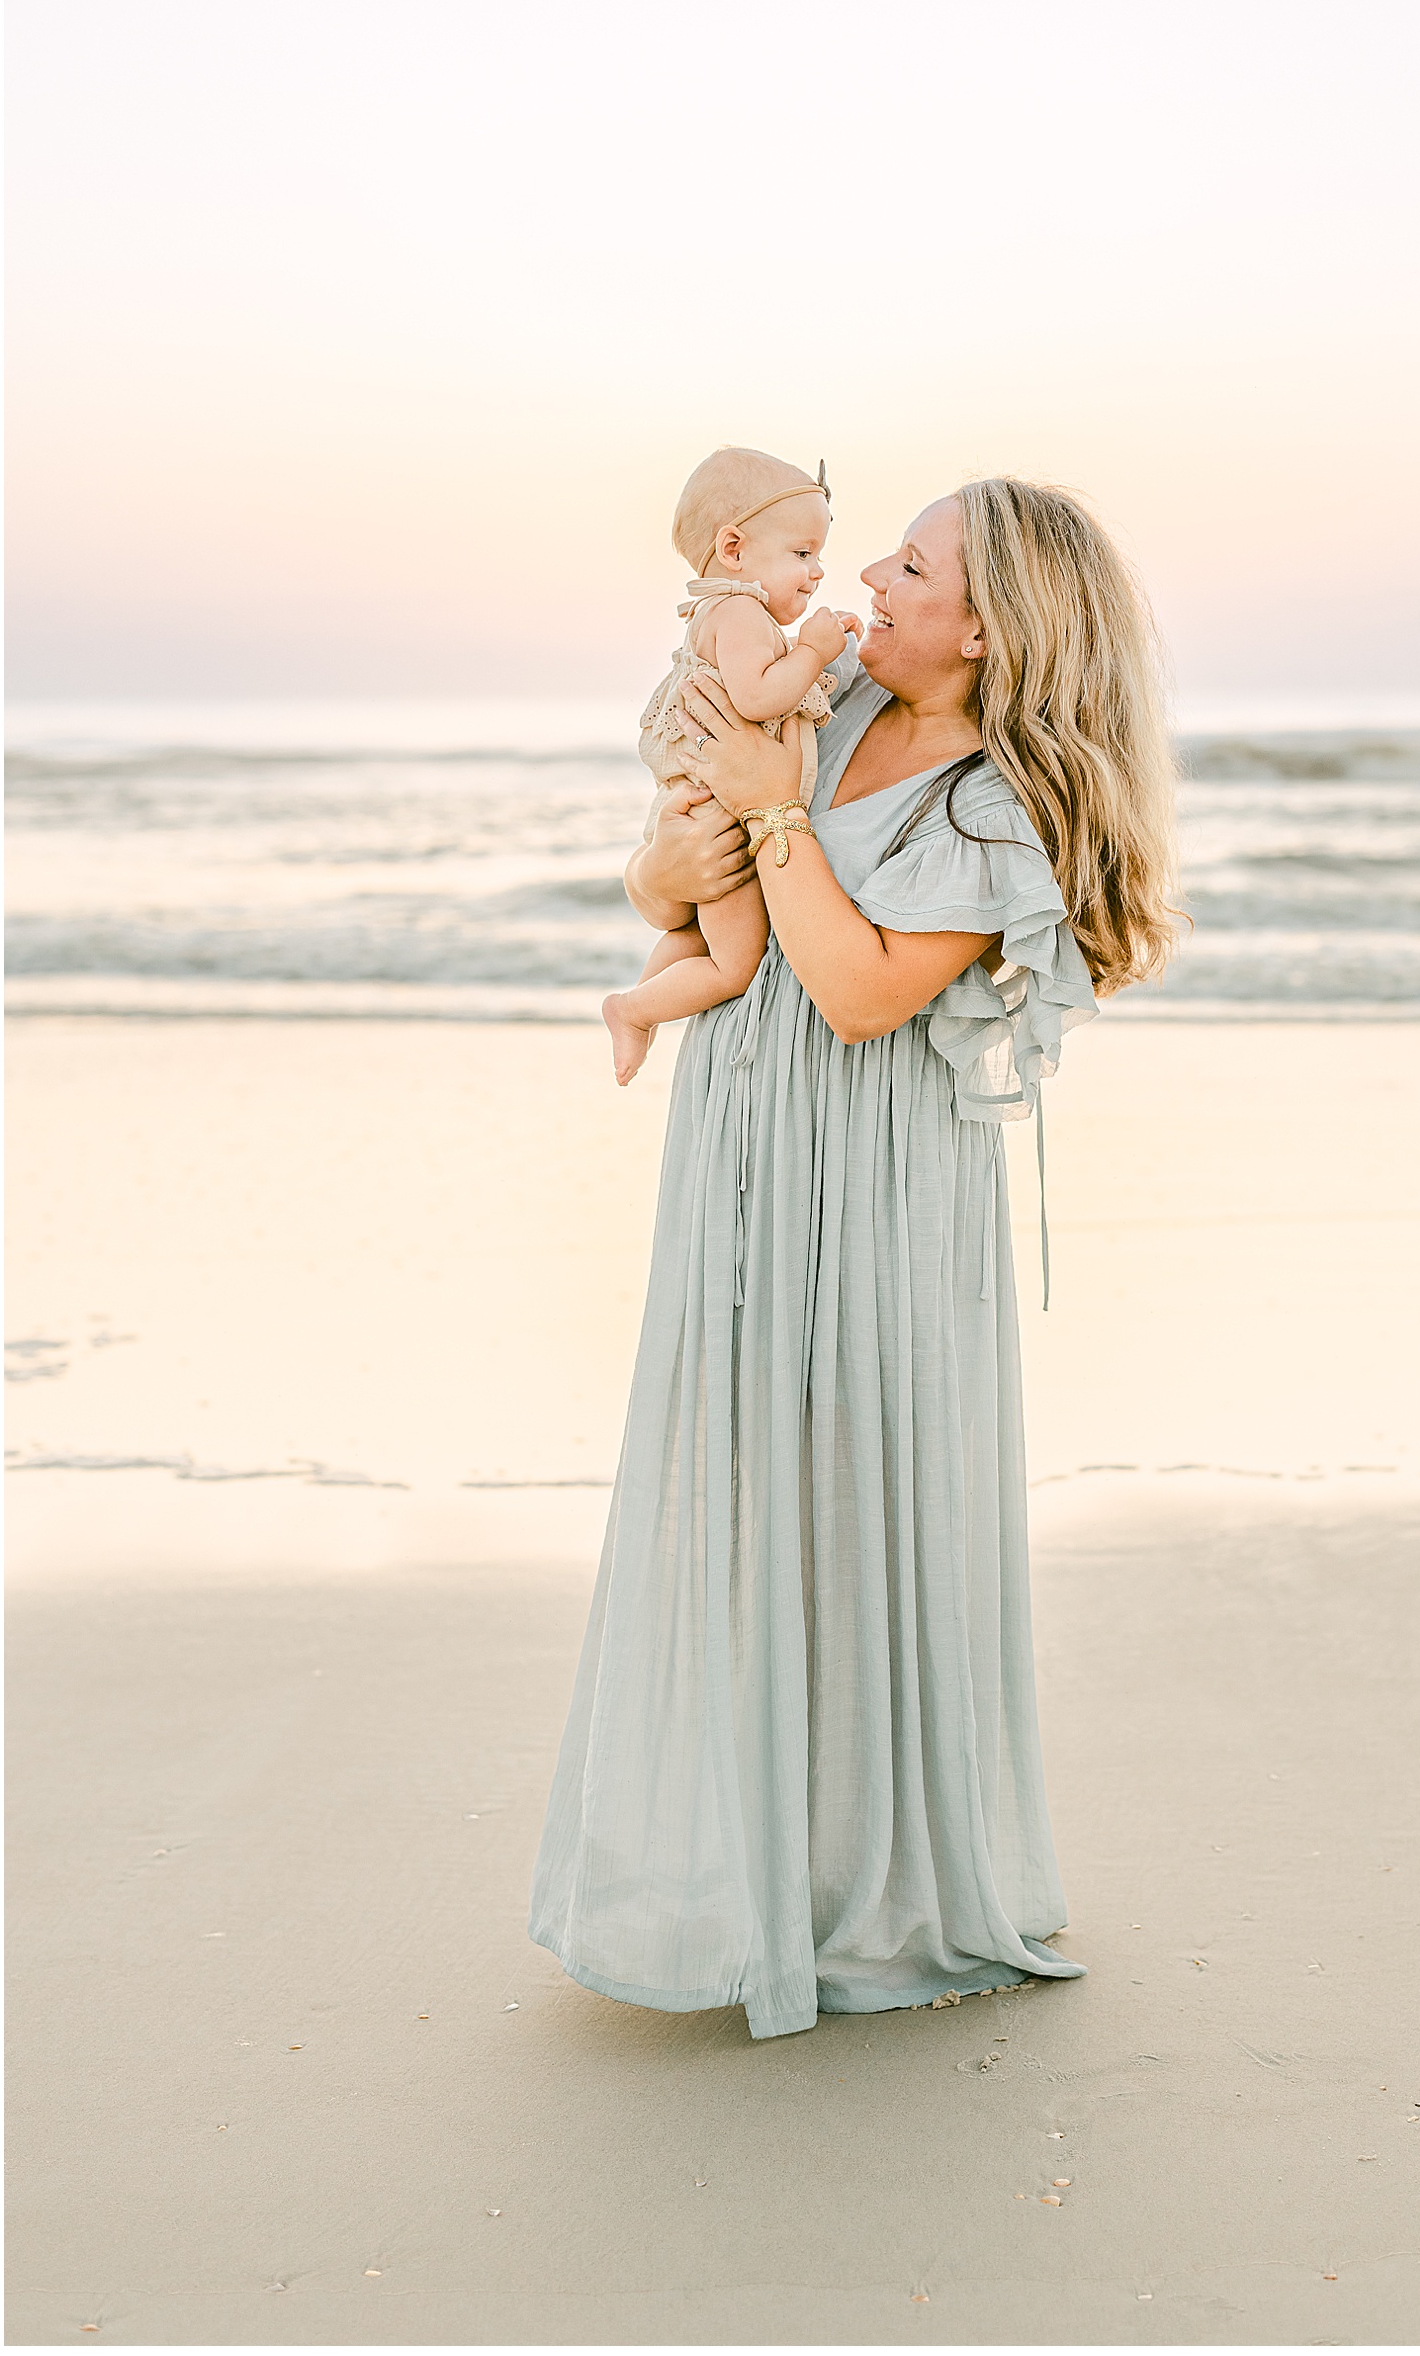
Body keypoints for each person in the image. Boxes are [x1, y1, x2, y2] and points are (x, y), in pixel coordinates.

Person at [530, 478, 1181, 2040]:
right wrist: (686, 859)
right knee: (745, 1479)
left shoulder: (991, 804)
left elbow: (864, 991)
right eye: (884, 551)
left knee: (861, 1496)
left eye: (914, 564)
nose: (875, 577)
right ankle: (748, 1868)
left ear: (992, 625)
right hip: (746, 1147)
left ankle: (872, 1887)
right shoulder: (812, 706)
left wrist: (763, 816)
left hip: (882, 1183)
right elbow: (664, 879)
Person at [603, 446, 857, 1083]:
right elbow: (759, 696)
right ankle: (633, 1010)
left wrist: (803, 649)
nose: (818, 571)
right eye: (802, 554)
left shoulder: (735, 617)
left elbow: (762, 683)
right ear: (735, 548)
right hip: (725, 816)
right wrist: (818, 650)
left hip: (712, 809)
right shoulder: (741, 612)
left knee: (697, 939)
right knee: (731, 966)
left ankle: (638, 1012)